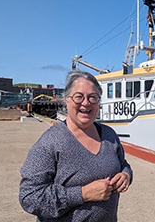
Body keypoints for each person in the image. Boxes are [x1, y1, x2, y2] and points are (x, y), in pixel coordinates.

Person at [19, 70, 133, 222]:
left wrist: (126, 175)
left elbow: (123, 164)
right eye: (79, 97)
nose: (86, 103)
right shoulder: (50, 142)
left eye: (93, 98)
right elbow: (29, 197)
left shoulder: (109, 135)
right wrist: (83, 193)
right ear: (66, 100)